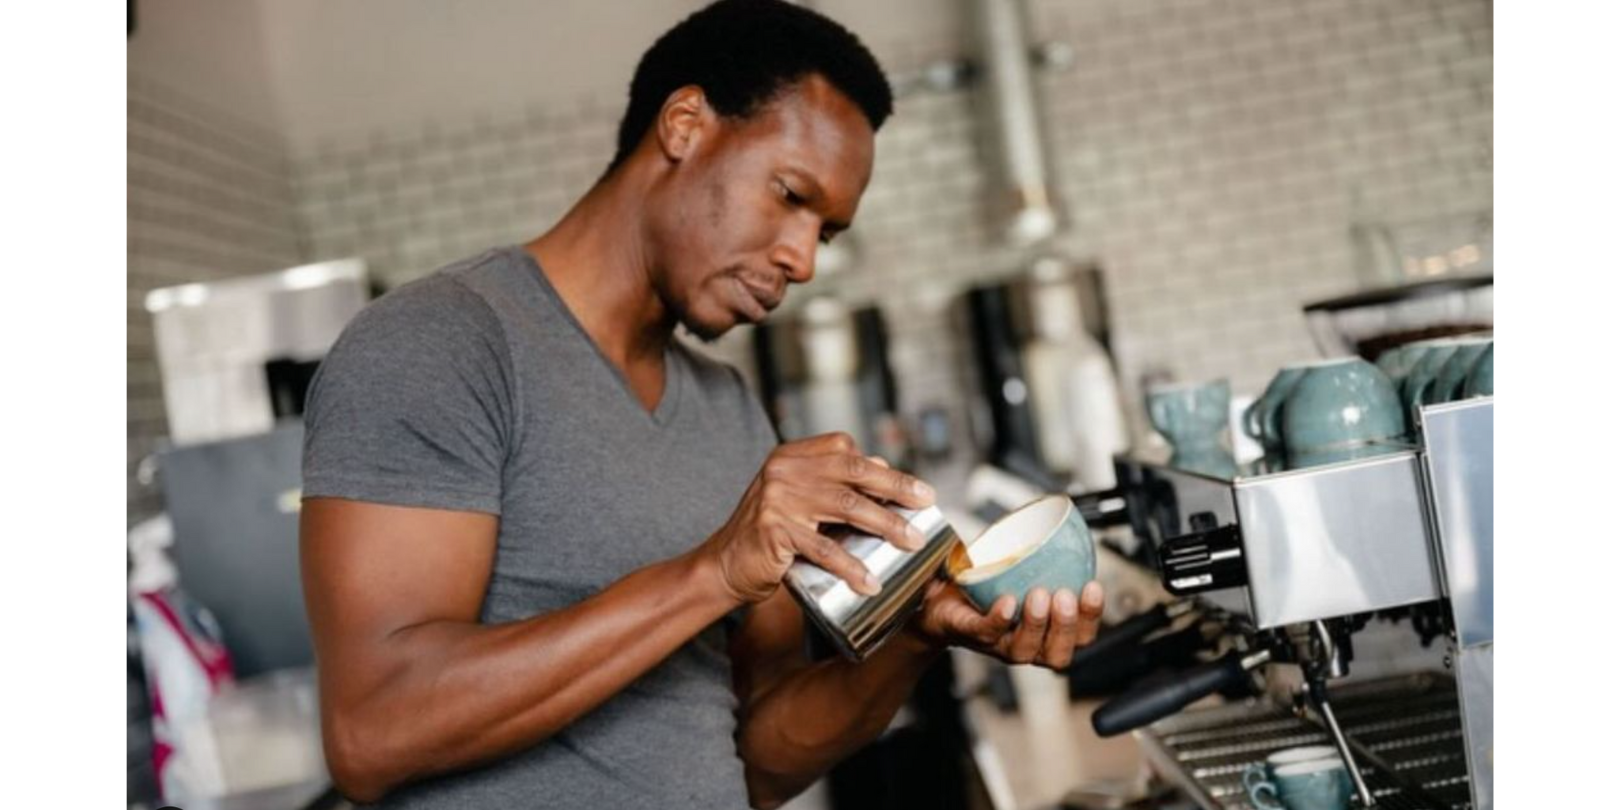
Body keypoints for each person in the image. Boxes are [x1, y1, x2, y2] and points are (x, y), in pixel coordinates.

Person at [298, 1, 1105, 807]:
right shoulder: (441, 343)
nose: (802, 261)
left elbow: (760, 751)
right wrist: (712, 571)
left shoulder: (727, 410)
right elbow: (374, 731)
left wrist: (918, 638)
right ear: (685, 126)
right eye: (791, 195)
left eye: (824, 232)